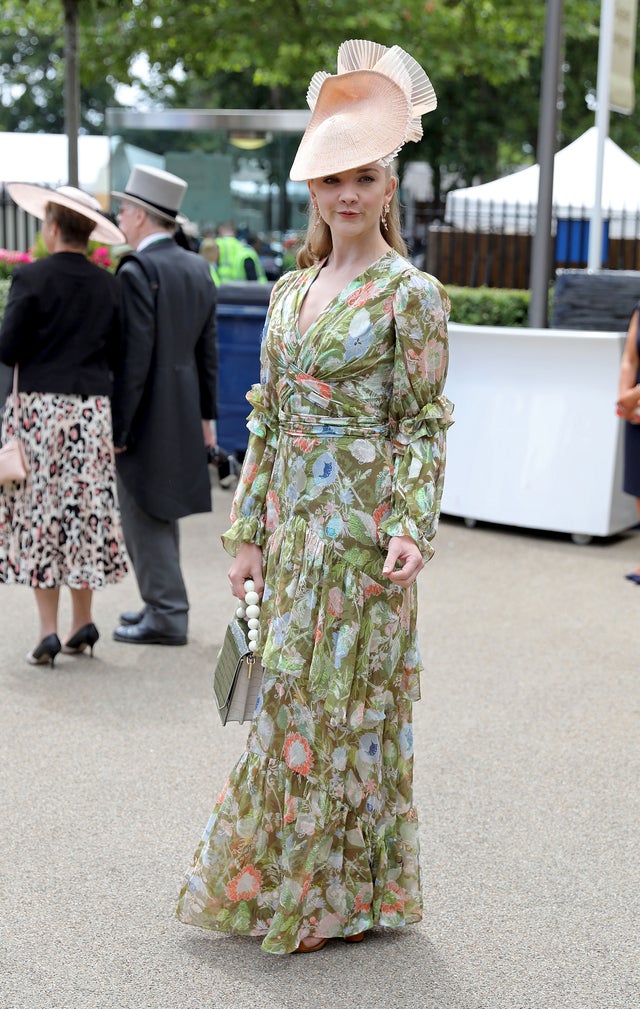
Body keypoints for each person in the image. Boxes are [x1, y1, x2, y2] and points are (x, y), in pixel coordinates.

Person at [177, 39, 453, 954]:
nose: (348, 194)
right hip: (293, 537)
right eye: (334, 175)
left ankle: (337, 894)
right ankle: (295, 882)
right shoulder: (291, 292)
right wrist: (246, 529)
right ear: (314, 186)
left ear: (388, 187)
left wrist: (413, 522)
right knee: (289, 705)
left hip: (363, 542)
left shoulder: (411, 295)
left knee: (347, 711)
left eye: (365, 176)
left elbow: (421, 420)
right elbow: (264, 418)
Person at [0, 184, 128, 665]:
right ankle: (83, 622)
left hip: (38, 413)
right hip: (90, 411)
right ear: (89, 232)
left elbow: (8, 347)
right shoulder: (109, 284)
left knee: (41, 514)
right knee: (83, 513)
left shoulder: (31, 280)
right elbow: (118, 355)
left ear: (52, 228)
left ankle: (49, 632)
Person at [110, 165, 218, 646]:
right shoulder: (197, 267)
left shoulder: (138, 270)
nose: (118, 216)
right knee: (162, 506)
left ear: (139, 215)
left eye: (123, 209)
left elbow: (132, 360)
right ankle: (162, 603)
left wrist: (118, 429)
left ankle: (167, 612)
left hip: (147, 407)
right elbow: (207, 353)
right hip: (183, 401)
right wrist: (206, 421)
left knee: (141, 507)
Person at [616, 300, 640, 581]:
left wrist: (632, 396)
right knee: (638, 482)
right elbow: (630, 358)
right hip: (636, 405)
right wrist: (625, 397)